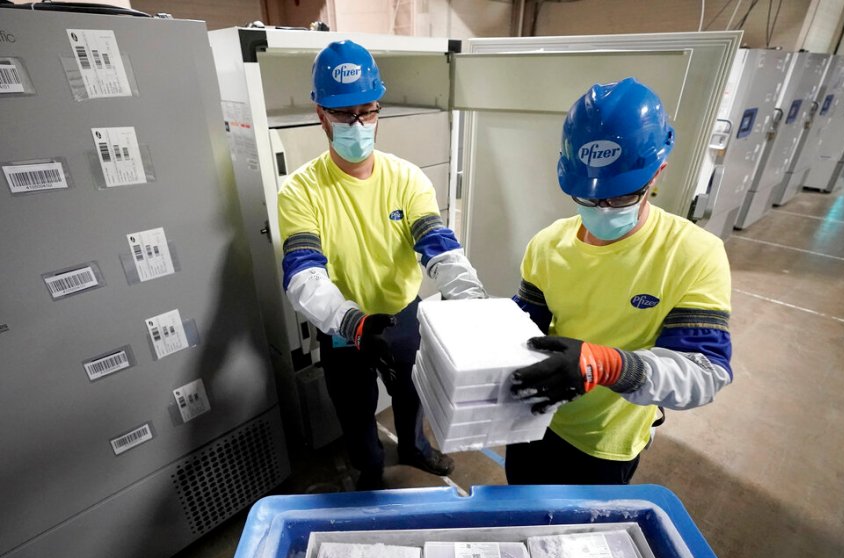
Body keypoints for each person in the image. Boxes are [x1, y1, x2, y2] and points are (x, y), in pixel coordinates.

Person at [277, 40, 486, 491]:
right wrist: (353, 324)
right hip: (341, 325)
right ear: (321, 116)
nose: (358, 124)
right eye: (344, 113)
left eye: (367, 111)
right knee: (354, 409)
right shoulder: (300, 191)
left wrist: (474, 304)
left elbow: (439, 245)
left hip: (402, 313)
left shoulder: (407, 178)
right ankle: (369, 469)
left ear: (378, 110)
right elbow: (303, 274)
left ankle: (414, 447)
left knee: (412, 394)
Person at [507, 78, 733, 485]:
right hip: (532, 422)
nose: (602, 208)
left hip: (606, 442)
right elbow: (523, 329)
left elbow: (705, 371)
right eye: (588, 197)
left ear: (657, 174)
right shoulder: (546, 245)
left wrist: (610, 366)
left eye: (620, 196)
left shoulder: (694, 254)